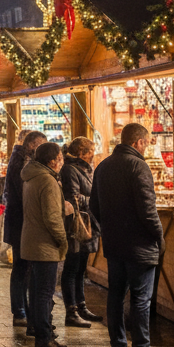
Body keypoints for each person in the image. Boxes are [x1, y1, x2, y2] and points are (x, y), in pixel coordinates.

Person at [90, 123, 172, 347]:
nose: (146, 147)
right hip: (139, 244)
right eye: (146, 143)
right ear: (138, 142)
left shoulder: (103, 166)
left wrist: (109, 226)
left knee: (115, 294)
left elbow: (94, 205)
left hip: (114, 243)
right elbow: (148, 211)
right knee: (140, 298)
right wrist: (158, 235)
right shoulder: (139, 166)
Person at [22, 141, 73, 347]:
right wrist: (62, 240)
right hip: (45, 245)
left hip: (32, 241)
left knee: (36, 292)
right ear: (52, 161)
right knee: (44, 294)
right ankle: (44, 342)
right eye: (60, 157)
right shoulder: (48, 181)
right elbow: (52, 218)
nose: (62, 161)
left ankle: (45, 338)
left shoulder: (31, 177)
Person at [3, 130, 46, 332]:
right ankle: (21, 311)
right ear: (32, 145)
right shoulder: (23, 164)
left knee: (21, 268)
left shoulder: (19, 159)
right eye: (41, 145)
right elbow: (24, 195)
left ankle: (22, 310)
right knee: (23, 268)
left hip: (18, 221)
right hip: (21, 222)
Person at [61, 137, 102, 327]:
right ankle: (71, 311)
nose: (92, 155)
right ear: (80, 152)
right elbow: (73, 198)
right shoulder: (70, 169)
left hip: (88, 222)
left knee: (80, 268)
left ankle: (81, 305)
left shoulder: (86, 169)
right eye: (90, 151)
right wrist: (94, 199)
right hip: (76, 224)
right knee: (72, 267)